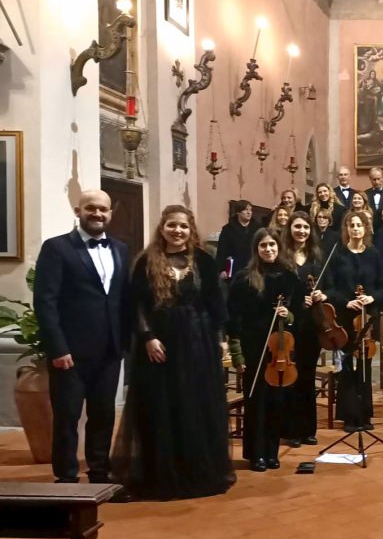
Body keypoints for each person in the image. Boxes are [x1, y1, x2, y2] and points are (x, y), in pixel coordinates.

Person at [111, 206, 234, 499]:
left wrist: (221, 339)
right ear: (162, 228)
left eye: (183, 226)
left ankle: (195, 469)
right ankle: (161, 471)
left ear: (191, 230)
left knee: (194, 403)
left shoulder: (203, 260)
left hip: (197, 341)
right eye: (171, 226)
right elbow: (137, 304)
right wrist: (148, 337)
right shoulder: (146, 260)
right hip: (160, 343)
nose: (177, 231)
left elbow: (214, 303)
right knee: (162, 404)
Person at [34, 190, 131, 485]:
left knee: (103, 415)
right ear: (78, 211)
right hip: (70, 353)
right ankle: (65, 477)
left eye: (103, 209)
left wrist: (126, 344)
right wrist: (58, 348)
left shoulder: (121, 249)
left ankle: (99, 472)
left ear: (110, 214)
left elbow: (123, 298)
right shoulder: (57, 248)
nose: (97, 214)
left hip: (109, 351)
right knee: (67, 418)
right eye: (91, 208)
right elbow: (45, 302)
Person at [227, 229, 301, 471]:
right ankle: (256, 453)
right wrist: (237, 353)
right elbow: (233, 318)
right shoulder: (244, 277)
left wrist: (287, 314)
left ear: (278, 247)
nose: (268, 249)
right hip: (253, 346)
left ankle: (272, 451)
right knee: (256, 401)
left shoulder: (289, 276)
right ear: (256, 249)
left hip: (279, 349)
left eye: (272, 245)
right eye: (263, 246)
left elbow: (298, 313)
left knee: (276, 401)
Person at [327, 211, 383, 431]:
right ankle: (349, 416)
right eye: (351, 225)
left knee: (364, 365)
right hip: (345, 317)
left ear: (365, 229)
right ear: (346, 229)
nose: (355, 228)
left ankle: (364, 414)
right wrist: (346, 302)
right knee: (346, 365)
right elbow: (330, 288)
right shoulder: (338, 255)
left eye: (359, 225)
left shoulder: (374, 255)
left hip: (367, 317)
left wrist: (371, 297)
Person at [280, 212, 329, 447]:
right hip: (289, 324)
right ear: (289, 229)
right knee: (290, 377)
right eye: (297, 227)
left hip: (311, 325)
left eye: (306, 228)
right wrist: (296, 303)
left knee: (308, 376)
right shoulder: (281, 257)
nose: (302, 231)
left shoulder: (316, 257)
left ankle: (308, 429)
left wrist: (322, 294)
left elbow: (327, 285)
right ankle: (291, 430)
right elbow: (278, 291)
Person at [215, 199, 255, 283]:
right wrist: (222, 269)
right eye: (246, 210)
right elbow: (222, 250)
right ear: (238, 212)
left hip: (253, 268)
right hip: (234, 268)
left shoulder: (257, 228)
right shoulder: (228, 229)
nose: (249, 212)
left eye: (250, 210)